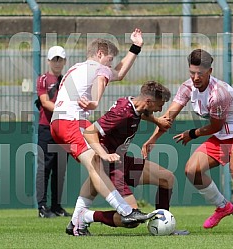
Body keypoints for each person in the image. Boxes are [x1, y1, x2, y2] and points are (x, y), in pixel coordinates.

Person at [142, 49, 233, 236]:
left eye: (200, 73)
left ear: (210, 71)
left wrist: (193, 133)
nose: (195, 77)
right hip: (223, 134)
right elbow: (168, 117)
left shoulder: (218, 94)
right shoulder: (187, 87)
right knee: (192, 170)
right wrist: (152, 140)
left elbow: (215, 126)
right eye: (192, 72)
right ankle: (223, 206)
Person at [50, 29, 155, 229]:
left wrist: (136, 47)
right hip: (72, 120)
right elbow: (107, 76)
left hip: (58, 122)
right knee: (97, 165)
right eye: (109, 59)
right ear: (99, 54)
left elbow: (118, 73)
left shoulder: (78, 68)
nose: (110, 64)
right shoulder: (98, 68)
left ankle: (76, 223)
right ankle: (126, 211)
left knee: (96, 165)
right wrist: (95, 101)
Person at [65, 81, 190, 236]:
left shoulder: (133, 105)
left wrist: (157, 121)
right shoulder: (121, 112)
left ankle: (165, 227)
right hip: (110, 165)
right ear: (149, 101)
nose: (160, 109)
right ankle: (86, 217)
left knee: (166, 178)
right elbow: (90, 132)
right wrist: (104, 155)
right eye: (160, 105)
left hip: (122, 160)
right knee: (131, 219)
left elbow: (142, 113)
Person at [35, 46, 71, 218]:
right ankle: (42, 207)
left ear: (64, 61)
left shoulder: (68, 80)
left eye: (60, 59)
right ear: (49, 61)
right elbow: (45, 102)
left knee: (60, 169)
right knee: (44, 168)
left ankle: (56, 206)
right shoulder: (43, 79)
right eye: (54, 59)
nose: (57, 62)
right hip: (47, 128)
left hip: (64, 130)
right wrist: (64, 110)